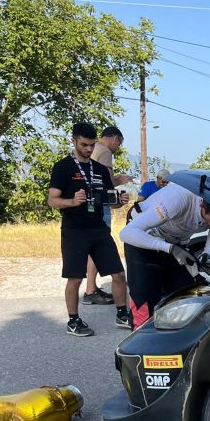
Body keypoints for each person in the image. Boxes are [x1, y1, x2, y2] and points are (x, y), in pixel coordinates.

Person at [47, 122, 130, 337]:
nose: (89, 149)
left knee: (118, 273)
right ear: (74, 141)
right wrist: (72, 202)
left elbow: (109, 201)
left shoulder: (99, 169)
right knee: (75, 278)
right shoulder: (63, 167)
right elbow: (52, 200)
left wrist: (119, 202)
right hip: (74, 230)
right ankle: (73, 321)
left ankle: (122, 315)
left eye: (92, 145)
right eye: (84, 145)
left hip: (99, 228)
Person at [120, 181, 210, 329]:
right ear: (202, 207)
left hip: (174, 241)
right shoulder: (178, 198)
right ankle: (140, 334)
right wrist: (169, 248)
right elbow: (127, 233)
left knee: (188, 292)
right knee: (145, 295)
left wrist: (208, 258)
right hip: (143, 236)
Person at [82, 126, 133, 305]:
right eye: (119, 143)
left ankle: (91, 288)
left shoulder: (92, 149)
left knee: (93, 246)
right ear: (114, 138)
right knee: (99, 245)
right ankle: (90, 290)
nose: (117, 147)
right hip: (99, 205)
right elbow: (106, 183)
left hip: (87, 204)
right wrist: (120, 182)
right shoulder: (104, 152)